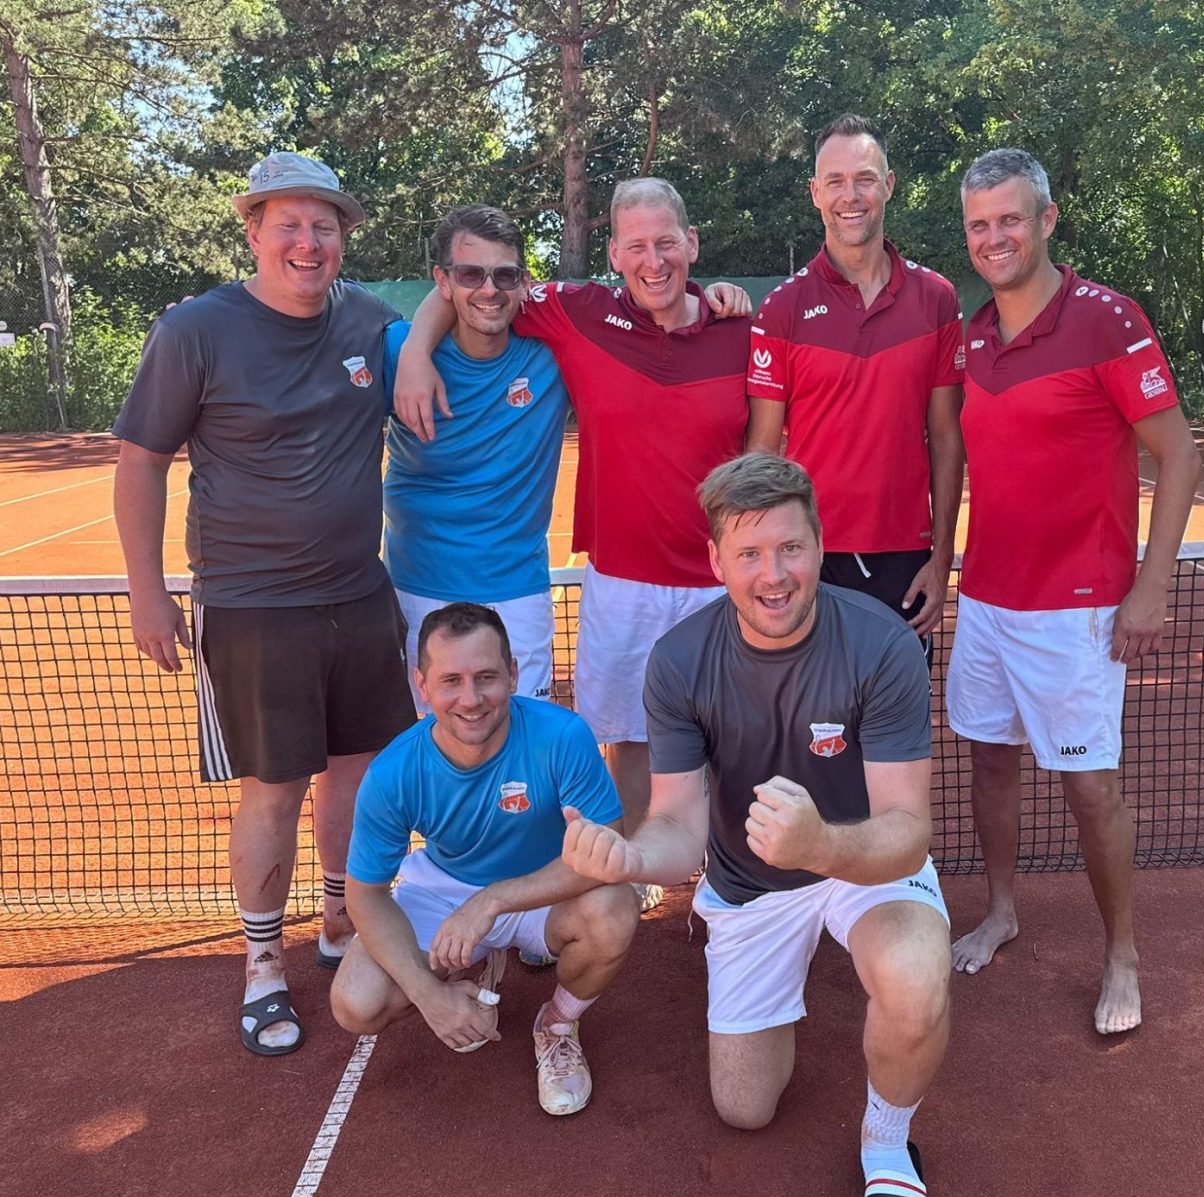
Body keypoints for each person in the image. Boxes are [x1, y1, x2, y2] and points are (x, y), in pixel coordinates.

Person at [560, 453, 950, 1197]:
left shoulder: (882, 643)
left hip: (862, 859)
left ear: (819, 545)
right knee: (745, 1109)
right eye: (749, 554)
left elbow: (908, 828)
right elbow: (679, 824)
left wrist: (822, 845)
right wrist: (629, 857)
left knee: (916, 973)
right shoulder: (678, 661)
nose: (773, 576)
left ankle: (888, 1146)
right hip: (748, 882)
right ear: (716, 561)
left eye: (790, 548)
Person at [112, 152, 416, 1057]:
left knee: (357, 778)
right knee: (273, 792)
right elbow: (141, 462)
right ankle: (262, 964)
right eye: (288, 224)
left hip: (360, 593)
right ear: (253, 231)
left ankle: (339, 922)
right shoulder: (194, 330)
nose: (307, 242)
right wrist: (147, 593)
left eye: (324, 226)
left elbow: (455, 318)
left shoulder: (369, 318)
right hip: (251, 606)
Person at [393, 179, 751, 847]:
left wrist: (725, 296)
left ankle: (727, 875)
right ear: (613, 254)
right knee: (628, 739)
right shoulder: (576, 313)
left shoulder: (741, 332)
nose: (653, 261)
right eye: (636, 246)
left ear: (692, 244)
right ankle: (639, 868)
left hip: (719, 582)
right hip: (620, 581)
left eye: (667, 243)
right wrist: (415, 351)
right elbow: (474, 289)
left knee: (730, 740)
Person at [947, 148, 1201, 1034]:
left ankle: (1121, 952)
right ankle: (1001, 910)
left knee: (1091, 790)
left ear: (1046, 221)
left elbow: (1179, 456)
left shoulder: (1108, 320)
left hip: (1081, 607)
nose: (994, 238)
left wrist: (1150, 589)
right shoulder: (973, 335)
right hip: (987, 599)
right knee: (989, 760)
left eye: (1010, 219)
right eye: (979, 225)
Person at [331, 603, 638, 1116]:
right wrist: (429, 996)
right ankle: (460, 977)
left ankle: (557, 1025)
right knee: (357, 1003)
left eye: (487, 677)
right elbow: (365, 896)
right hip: (444, 887)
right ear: (422, 685)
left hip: (542, 887)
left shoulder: (563, 735)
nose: (471, 699)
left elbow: (607, 849)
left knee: (615, 908)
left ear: (513, 674)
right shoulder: (393, 772)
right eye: (450, 681)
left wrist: (492, 901)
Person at [746, 113, 964, 646]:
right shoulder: (781, 310)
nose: (851, 196)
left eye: (865, 179)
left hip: (905, 559)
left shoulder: (937, 300)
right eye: (836, 181)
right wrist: (764, 563)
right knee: (809, 704)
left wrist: (941, 559)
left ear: (888, 185)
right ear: (815, 193)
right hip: (807, 557)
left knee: (897, 701)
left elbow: (946, 438)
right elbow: (762, 453)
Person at [382, 204, 570, 708]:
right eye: (470, 274)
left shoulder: (554, 349)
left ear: (524, 281)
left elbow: (644, 303)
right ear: (442, 280)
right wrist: (415, 352)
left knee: (525, 740)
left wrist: (708, 297)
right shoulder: (396, 351)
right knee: (433, 741)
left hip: (518, 589)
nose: (489, 289)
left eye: (504, 275)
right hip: (417, 589)